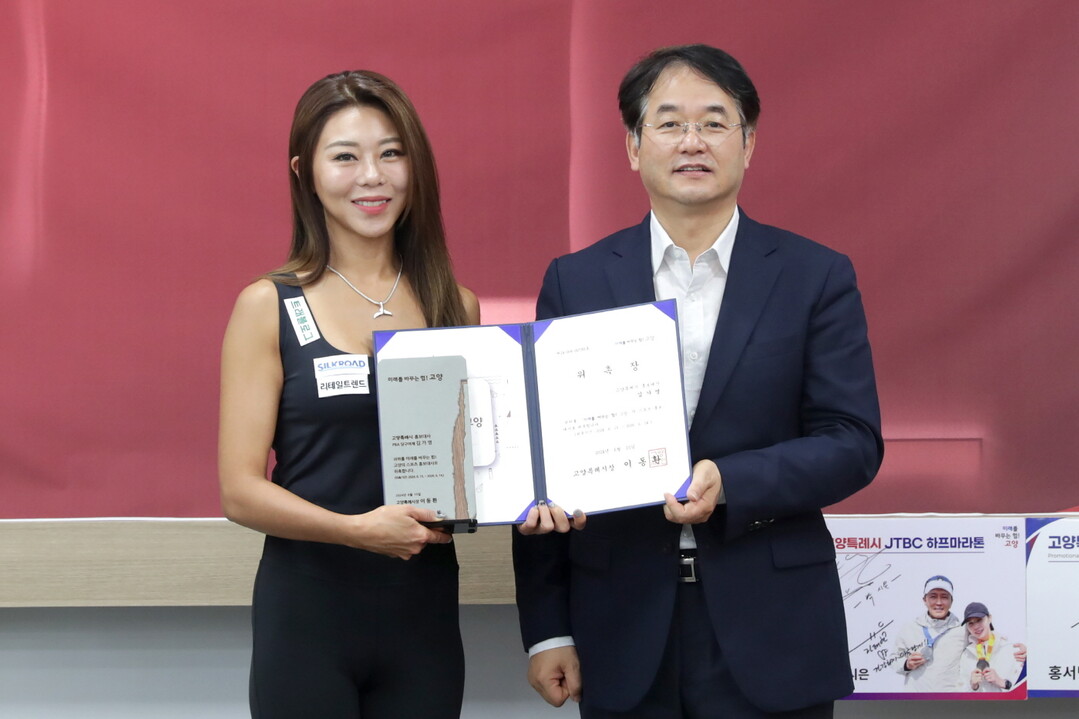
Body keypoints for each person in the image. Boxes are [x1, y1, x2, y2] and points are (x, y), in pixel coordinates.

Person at [512, 44, 884, 718]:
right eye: (669, 123)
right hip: (620, 626)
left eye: (714, 122)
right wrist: (548, 629)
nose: (692, 141)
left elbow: (851, 441)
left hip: (771, 627)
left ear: (748, 144)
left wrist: (731, 481)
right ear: (633, 146)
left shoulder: (814, 276)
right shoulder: (576, 281)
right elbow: (543, 463)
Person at [218, 70, 479, 718]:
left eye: (391, 153)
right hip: (308, 617)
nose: (372, 176)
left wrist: (546, 491)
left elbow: (475, 467)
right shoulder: (268, 305)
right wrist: (356, 531)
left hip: (423, 617)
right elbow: (239, 490)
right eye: (345, 157)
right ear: (304, 172)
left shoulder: (456, 307)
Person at [891, 575, 966, 690]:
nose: (939, 602)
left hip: (950, 699)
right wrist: (906, 664)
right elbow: (894, 659)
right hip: (916, 698)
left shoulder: (963, 631)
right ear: (924, 600)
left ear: (951, 601)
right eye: (933, 597)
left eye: (944, 597)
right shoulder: (909, 628)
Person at [958, 602, 1025, 692]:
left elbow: (1025, 686)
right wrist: (973, 686)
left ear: (989, 618)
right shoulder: (966, 655)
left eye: (979, 620)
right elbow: (961, 690)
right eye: (970, 623)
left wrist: (1002, 682)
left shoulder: (1011, 648)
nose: (976, 626)